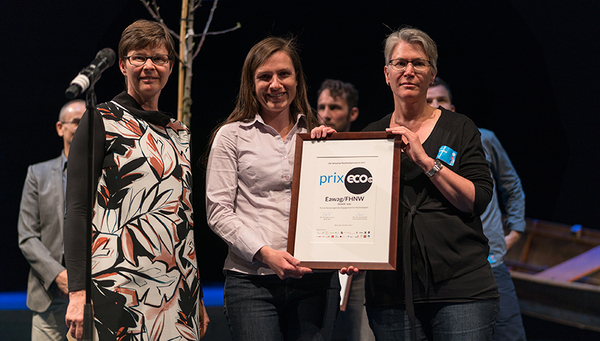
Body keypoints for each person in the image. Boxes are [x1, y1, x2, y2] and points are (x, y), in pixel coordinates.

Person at [315, 27, 499, 340]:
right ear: (387, 74)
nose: (409, 71)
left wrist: (427, 161)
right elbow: (352, 209)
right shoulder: (371, 136)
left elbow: (475, 199)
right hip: (390, 294)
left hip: (460, 288)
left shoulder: (460, 127)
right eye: (400, 63)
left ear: (432, 74)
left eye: (419, 63)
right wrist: (326, 151)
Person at [63, 19, 207, 340]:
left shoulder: (179, 132)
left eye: (159, 58)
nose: (149, 66)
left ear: (170, 67)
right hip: (117, 287)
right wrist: (77, 292)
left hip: (176, 292)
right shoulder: (101, 119)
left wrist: (194, 293)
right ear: (122, 65)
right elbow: (77, 210)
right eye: (138, 57)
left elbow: (184, 220)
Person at [205, 36, 340, 341]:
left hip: (315, 281)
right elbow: (218, 212)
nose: (275, 84)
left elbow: (336, 204)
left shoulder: (317, 136)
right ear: (250, 83)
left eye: (283, 74)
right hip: (252, 283)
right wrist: (266, 255)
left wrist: (333, 153)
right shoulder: (231, 136)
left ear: (297, 79)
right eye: (264, 77)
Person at [427, 77, 527, 341]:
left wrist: (516, 230)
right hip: (449, 267)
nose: (437, 106)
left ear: (453, 106)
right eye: (429, 102)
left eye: (442, 100)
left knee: (509, 335)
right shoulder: (418, 149)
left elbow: (511, 185)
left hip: (492, 262)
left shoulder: (484, 138)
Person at [17, 100, 85, 341]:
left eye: (88, 122)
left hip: (94, 294)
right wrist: (58, 275)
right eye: (77, 122)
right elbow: (27, 237)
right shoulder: (38, 174)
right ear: (60, 128)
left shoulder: (106, 175)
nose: (83, 127)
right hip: (49, 294)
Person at [316, 79, 374, 341]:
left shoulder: (368, 153)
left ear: (352, 113)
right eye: (322, 106)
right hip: (315, 263)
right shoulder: (308, 151)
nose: (326, 114)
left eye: (335, 107)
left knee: (360, 333)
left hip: (358, 265)